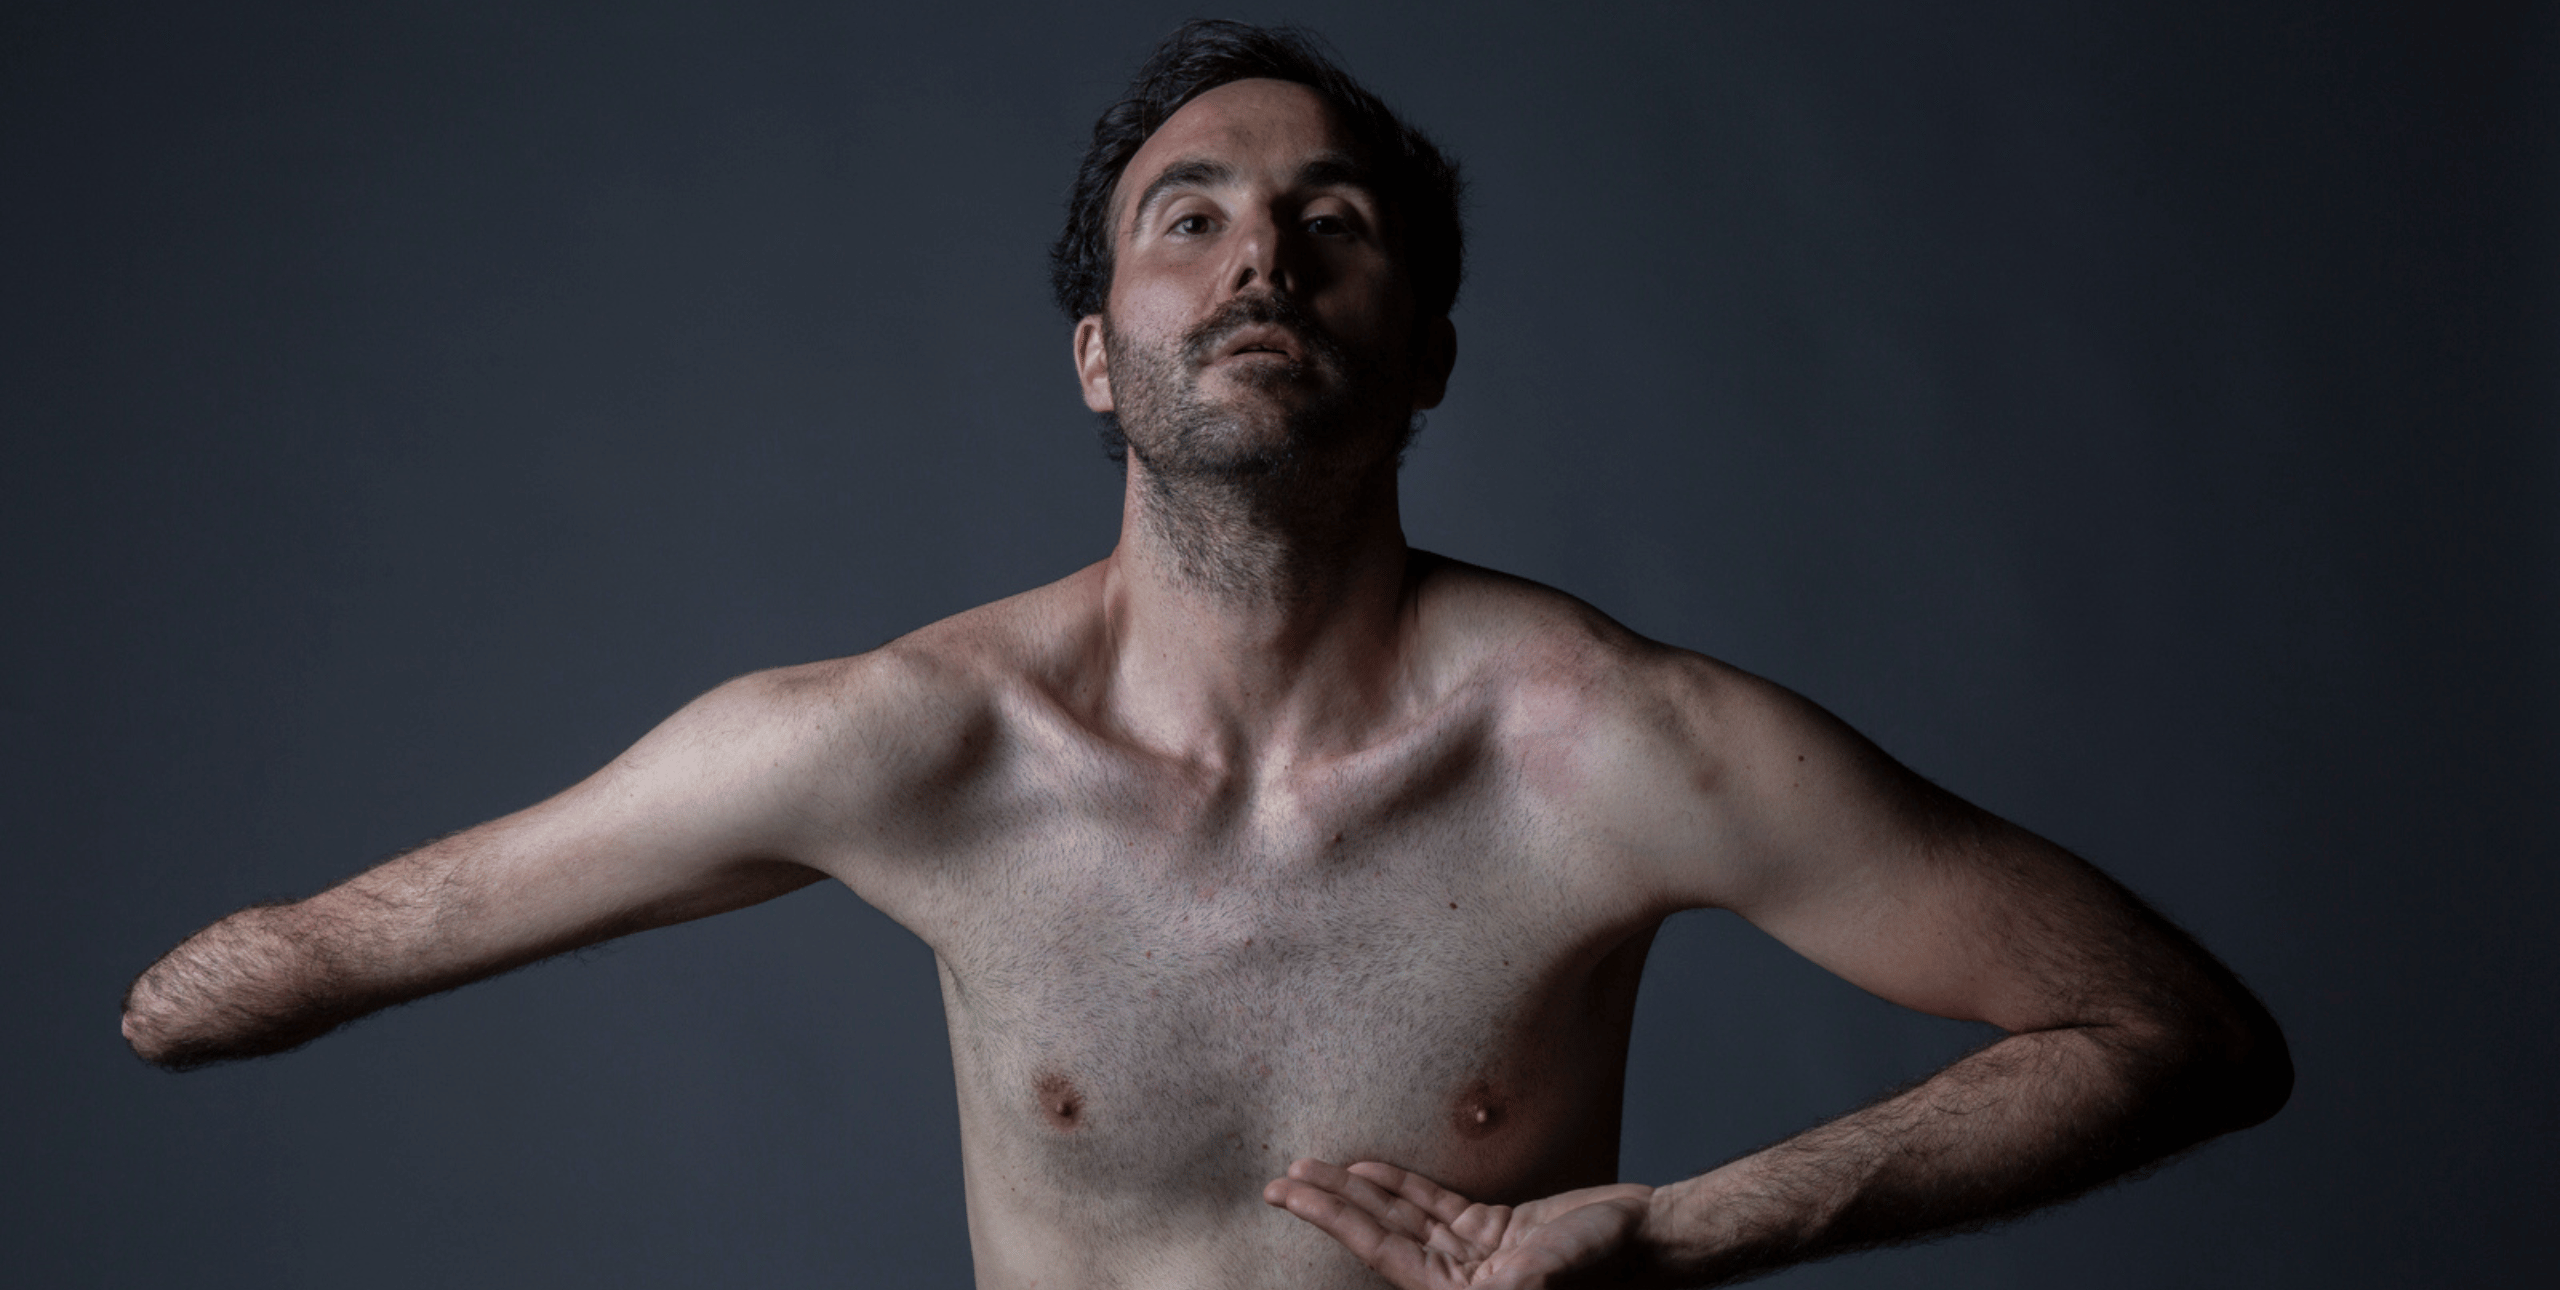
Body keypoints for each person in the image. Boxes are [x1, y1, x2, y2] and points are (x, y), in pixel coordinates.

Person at [120, 20, 2290, 1289]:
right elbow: (320, 952)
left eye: (1332, 224)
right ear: (1096, 350)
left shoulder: (1613, 748)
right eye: (1193, 215)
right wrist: (188, 1001)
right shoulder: (914, 745)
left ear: (1421, 344)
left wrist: (1696, 1229)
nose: (1261, 247)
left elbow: (2170, 1031)